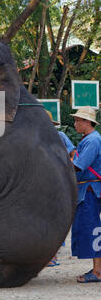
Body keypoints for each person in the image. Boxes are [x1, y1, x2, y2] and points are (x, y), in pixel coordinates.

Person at [70, 106, 101, 283]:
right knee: (90, 228)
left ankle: (97, 271)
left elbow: (78, 165)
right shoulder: (89, 139)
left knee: (92, 228)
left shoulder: (92, 141)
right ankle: (97, 268)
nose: (75, 124)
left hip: (90, 190)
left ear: (87, 122)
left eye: (78, 120)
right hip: (88, 189)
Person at [45, 111, 76, 266]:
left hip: (58, 182)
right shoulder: (34, 137)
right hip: (41, 183)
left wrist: (63, 167)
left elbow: (73, 154)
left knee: (54, 217)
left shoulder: (60, 137)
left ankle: (53, 256)